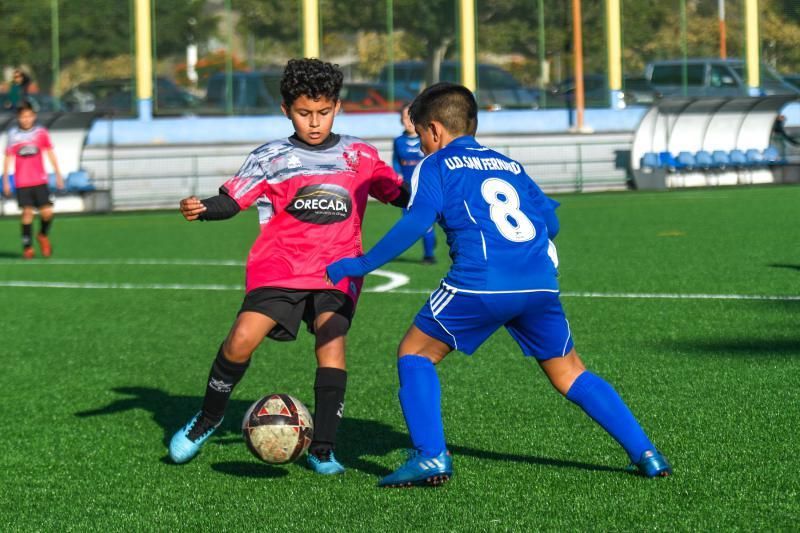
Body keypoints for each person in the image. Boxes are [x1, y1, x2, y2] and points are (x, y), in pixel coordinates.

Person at [326, 82, 671, 487]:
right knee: (571, 373)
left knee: (414, 353)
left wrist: (361, 264)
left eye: (420, 134)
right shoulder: (510, 165)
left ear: (435, 130)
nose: (419, 143)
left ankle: (431, 456)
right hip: (540, 284)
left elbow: (416, 223)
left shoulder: (434, 166)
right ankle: (646, 453)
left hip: (480, 283)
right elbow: (552, 223)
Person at [169, 58, 408, 474]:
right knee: (241, 340)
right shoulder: (270, 156)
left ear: (336, 106)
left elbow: (399, 194)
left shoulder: (360, 155)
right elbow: (232, 200)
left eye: (323, 112)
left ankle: (323, 448)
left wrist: (440, 194)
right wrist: (202, 207)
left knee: (331, 344)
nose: (314, 122)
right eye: (303, 113)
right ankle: (207, 419)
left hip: (339, 269)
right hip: (279, 267)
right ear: (286, 111)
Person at [2, 100, 63, 259]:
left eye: (29, 116)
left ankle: (42, 235)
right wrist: (6, 179)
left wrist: (57, 173)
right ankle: (27, 247)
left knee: (47, 213)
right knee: (27, 213)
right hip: (23, 181)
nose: (26, 119)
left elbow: (50, 152)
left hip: (40, 180)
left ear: (34, 116)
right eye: (23, 116)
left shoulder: (41, 132)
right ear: (18, 117)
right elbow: (8, 157)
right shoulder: (13, 134)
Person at [393, 104, 436, 264]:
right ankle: (428, 242)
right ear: (401, 120)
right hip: (406, 189)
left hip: (425, 189)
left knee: (426, 223)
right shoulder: (398, 141)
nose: (409, 121)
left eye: (412, 117)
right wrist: (396, 175)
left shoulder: (426, 139)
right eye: (405, 117)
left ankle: (429, 254)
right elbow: (396, 161)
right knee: (410, 223)